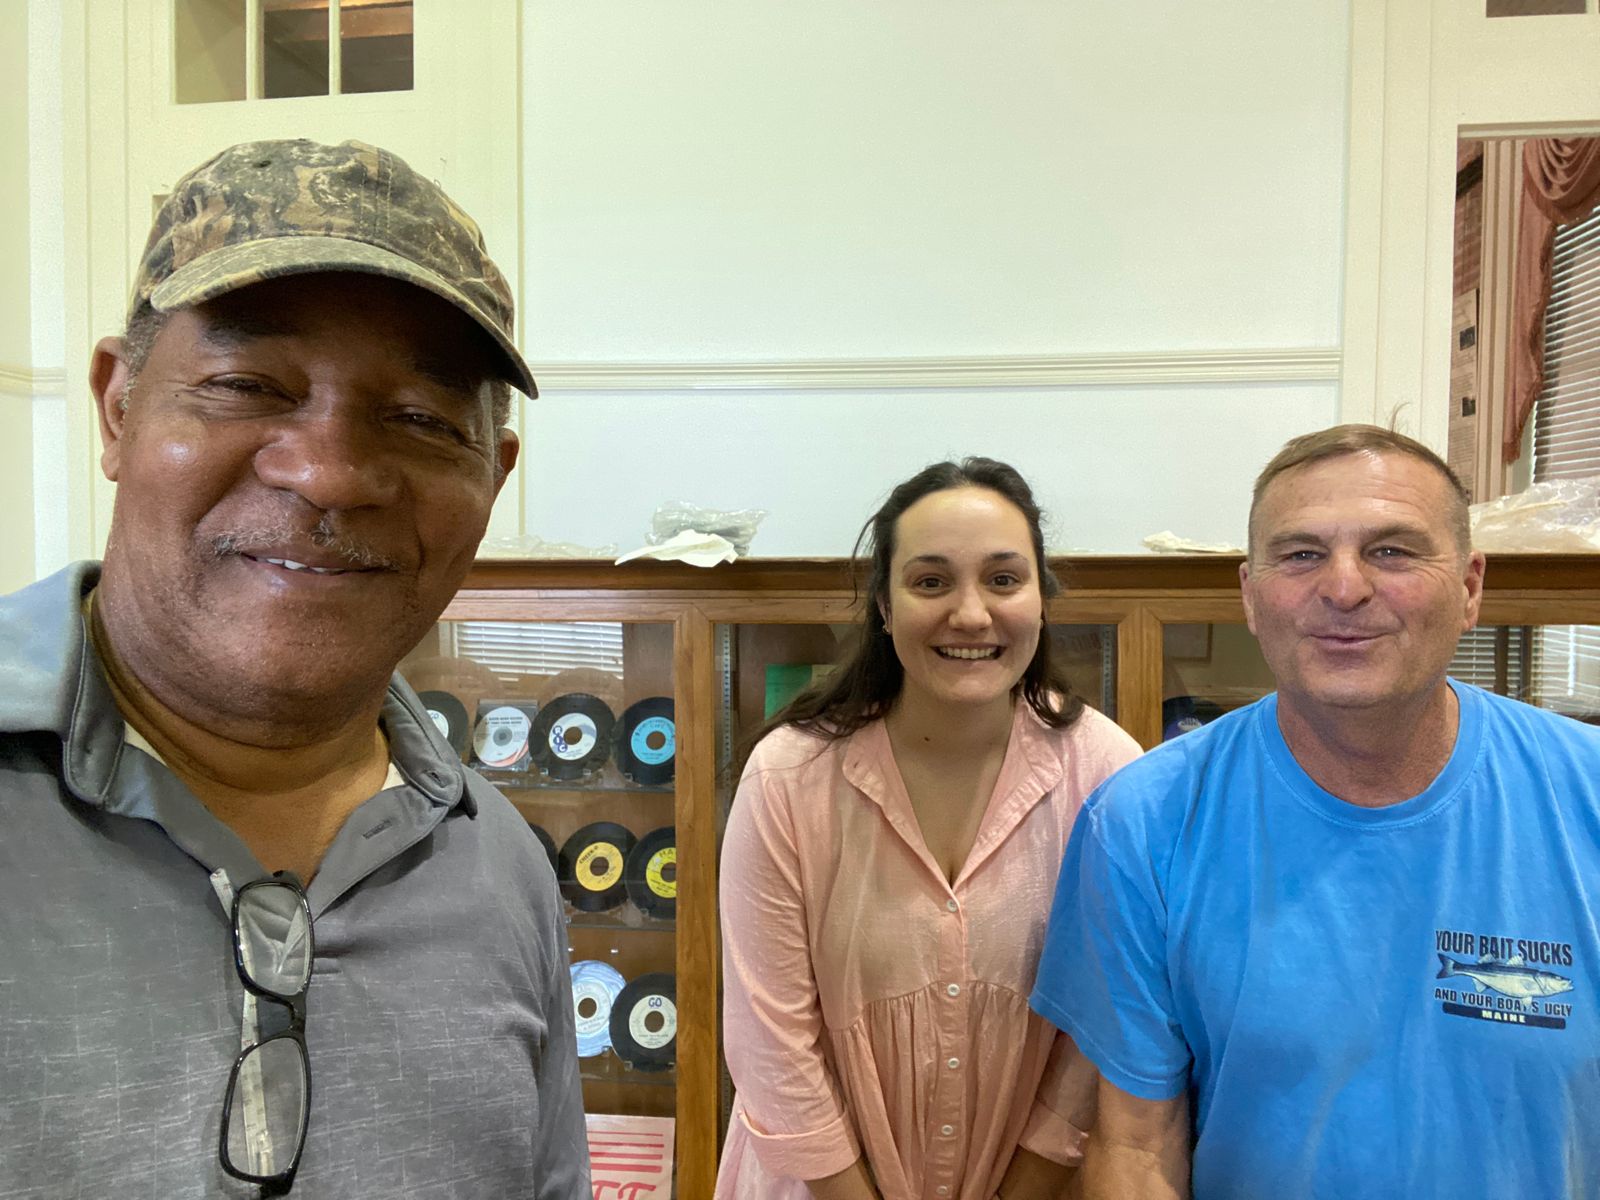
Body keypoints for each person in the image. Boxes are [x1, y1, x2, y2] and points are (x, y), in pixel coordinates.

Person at [0, 140, 589, 1197]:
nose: (328, 472)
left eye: (420, 419)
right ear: (118, 407)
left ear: (494, 476)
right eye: (245, 386)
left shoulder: (500, 870)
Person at [1030, 424, 1600, 1199]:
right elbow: (1136, 1147)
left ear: (1470, 587)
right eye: (1301, 554)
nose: (1344, 588)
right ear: (1249, 595)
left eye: (1392, 551)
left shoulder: (1585, 796)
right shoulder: (1142, 821)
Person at [716, 458, 1142, 1200]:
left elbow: (1099, 1031)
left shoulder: (1107, 774)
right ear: (885, 606)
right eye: (931, 581)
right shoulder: (788, 776)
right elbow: (770, 1039)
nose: (971, 614)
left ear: (1041, 599)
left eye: (1003, 579)